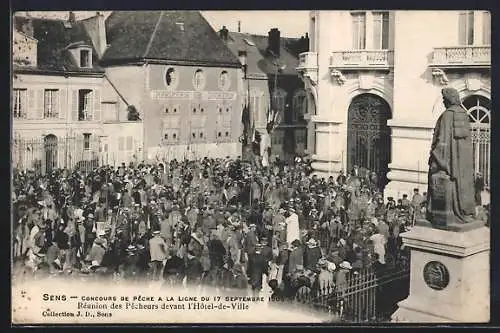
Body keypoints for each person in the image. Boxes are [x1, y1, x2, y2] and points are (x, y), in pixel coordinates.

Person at [426, 87, 475, 224]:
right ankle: (463, 209)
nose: (442, 101)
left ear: (448, 99)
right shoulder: (463, 113)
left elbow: (443, 141)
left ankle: (446, 212)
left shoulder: (448, 115)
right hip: (462, 162)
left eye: (443, 99)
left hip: (448, 162)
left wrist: (435, 155)